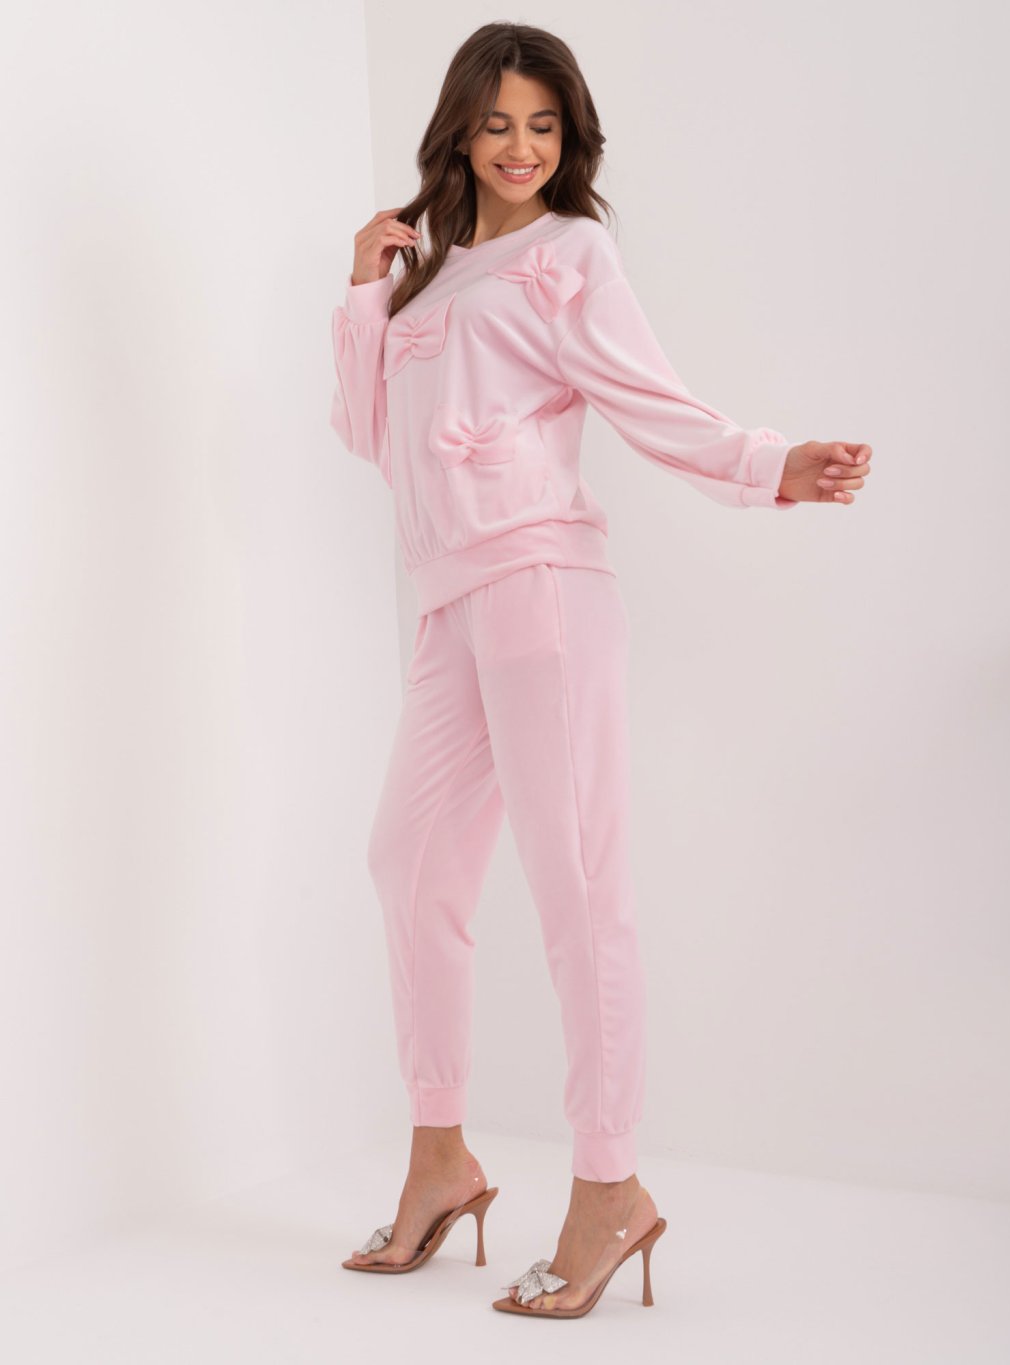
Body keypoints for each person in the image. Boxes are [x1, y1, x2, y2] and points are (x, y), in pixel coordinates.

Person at [329, 23, 872, 1318]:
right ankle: (441, 1158)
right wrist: (362, 290)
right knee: (408, 862)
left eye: (544, 126)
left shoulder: (573, 253)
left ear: (569, 139)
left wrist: (768, 464)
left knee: (580, 897)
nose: (520, 147)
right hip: (447, 611)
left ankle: (608, 1187)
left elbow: (646, 395)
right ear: (459, 131)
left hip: (544, 594)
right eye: (497, 124)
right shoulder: (431, 277)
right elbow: (365, 435)